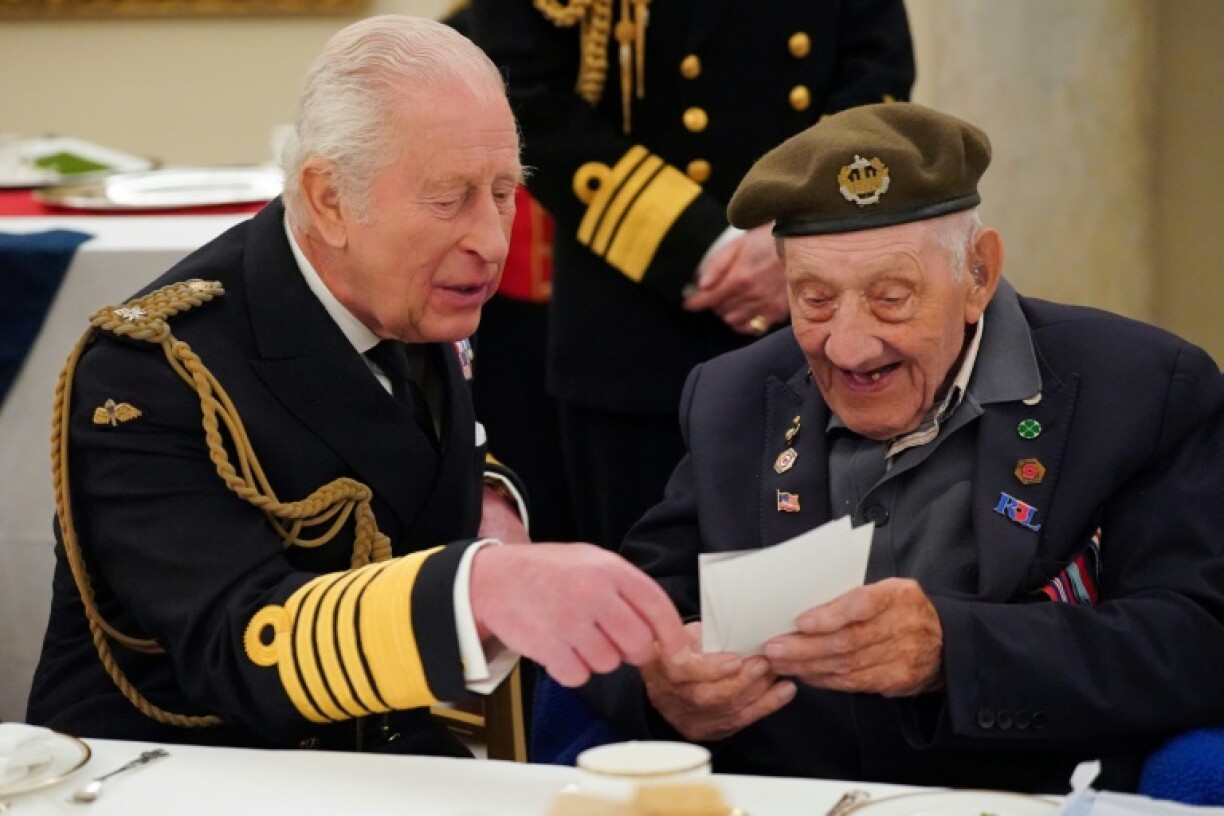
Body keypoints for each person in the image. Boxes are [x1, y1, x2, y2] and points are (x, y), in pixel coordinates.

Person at [24, 15, 685, 756]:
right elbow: (236, 647)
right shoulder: (152, 366)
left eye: (504, 191)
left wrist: (489, 502)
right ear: (330, 198)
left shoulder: (407, 289)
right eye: (449, 199)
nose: (491, 240)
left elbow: (417, 457)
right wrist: (481, 585)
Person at [579, 103, 1224, 793]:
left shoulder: (1140, 389)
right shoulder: (733, 397)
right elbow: (633, 609)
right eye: (815, 300)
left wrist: (954, 650)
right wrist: (664, 683)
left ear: (978, 274)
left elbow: (1198, 640)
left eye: (891, 298)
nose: (848, 347)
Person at [466, 0, 916, 549]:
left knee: (810, 599)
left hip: (813, 323)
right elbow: (527, 92)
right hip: (632, 328)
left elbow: (876, 77)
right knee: (639, 605)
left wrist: (795, 245)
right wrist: (703, 247)